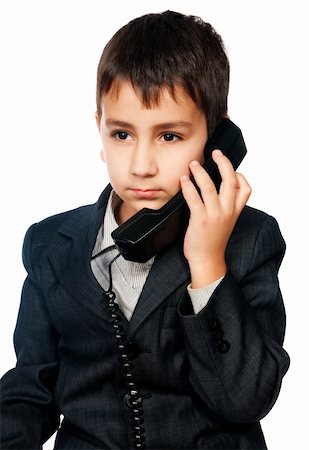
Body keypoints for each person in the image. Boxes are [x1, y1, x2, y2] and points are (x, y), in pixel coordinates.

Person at [0, 10, 290, 450]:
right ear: (98, 128)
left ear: (217, 141)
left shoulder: (252, 240)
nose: (141, 165)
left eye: (169, 136)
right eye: (121, 134)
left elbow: (246, 399)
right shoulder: (50, 245)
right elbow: (29, 390)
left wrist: (208, 264)